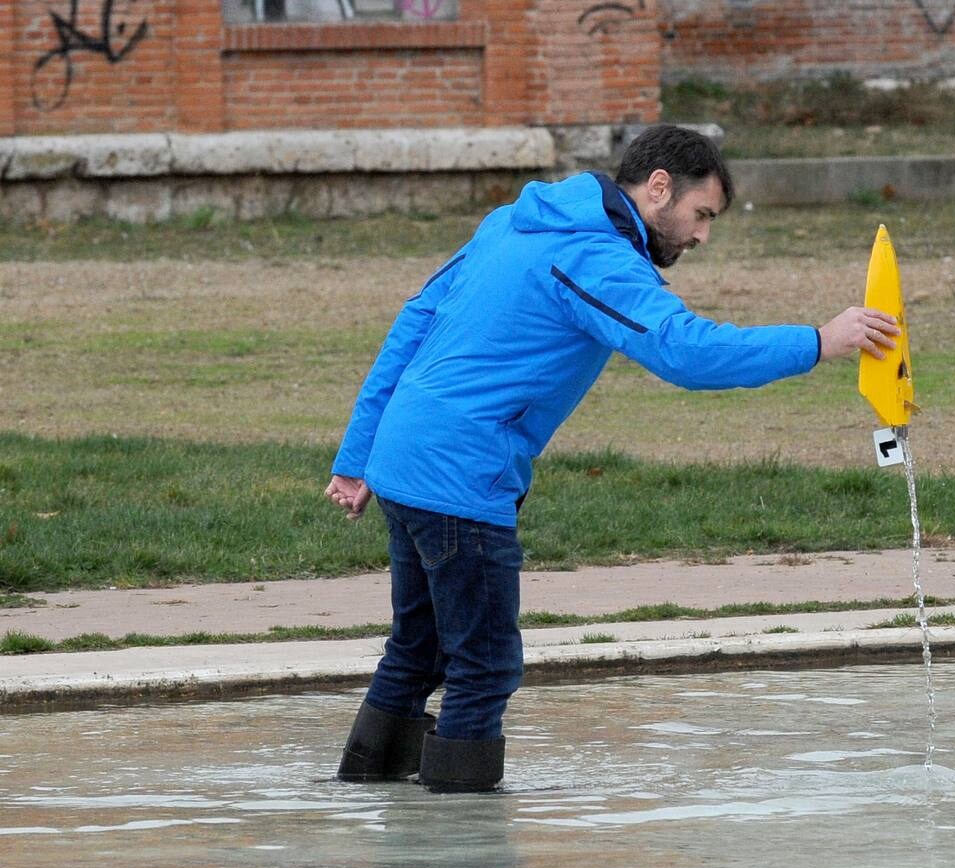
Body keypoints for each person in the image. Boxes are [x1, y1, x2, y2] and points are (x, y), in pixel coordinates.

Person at [325, 124, 899, 792]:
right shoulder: (594, 258)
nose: (702, 235)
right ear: (659, 188)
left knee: (417, 649)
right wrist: (818, 341)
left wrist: (358, 455)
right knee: (483, 665)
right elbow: (684, 351)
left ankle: (360, 801)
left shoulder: (515, 222)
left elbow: (414, 318)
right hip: (459, 475)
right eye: (700, 215)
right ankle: (463, 851)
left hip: (403, 462)